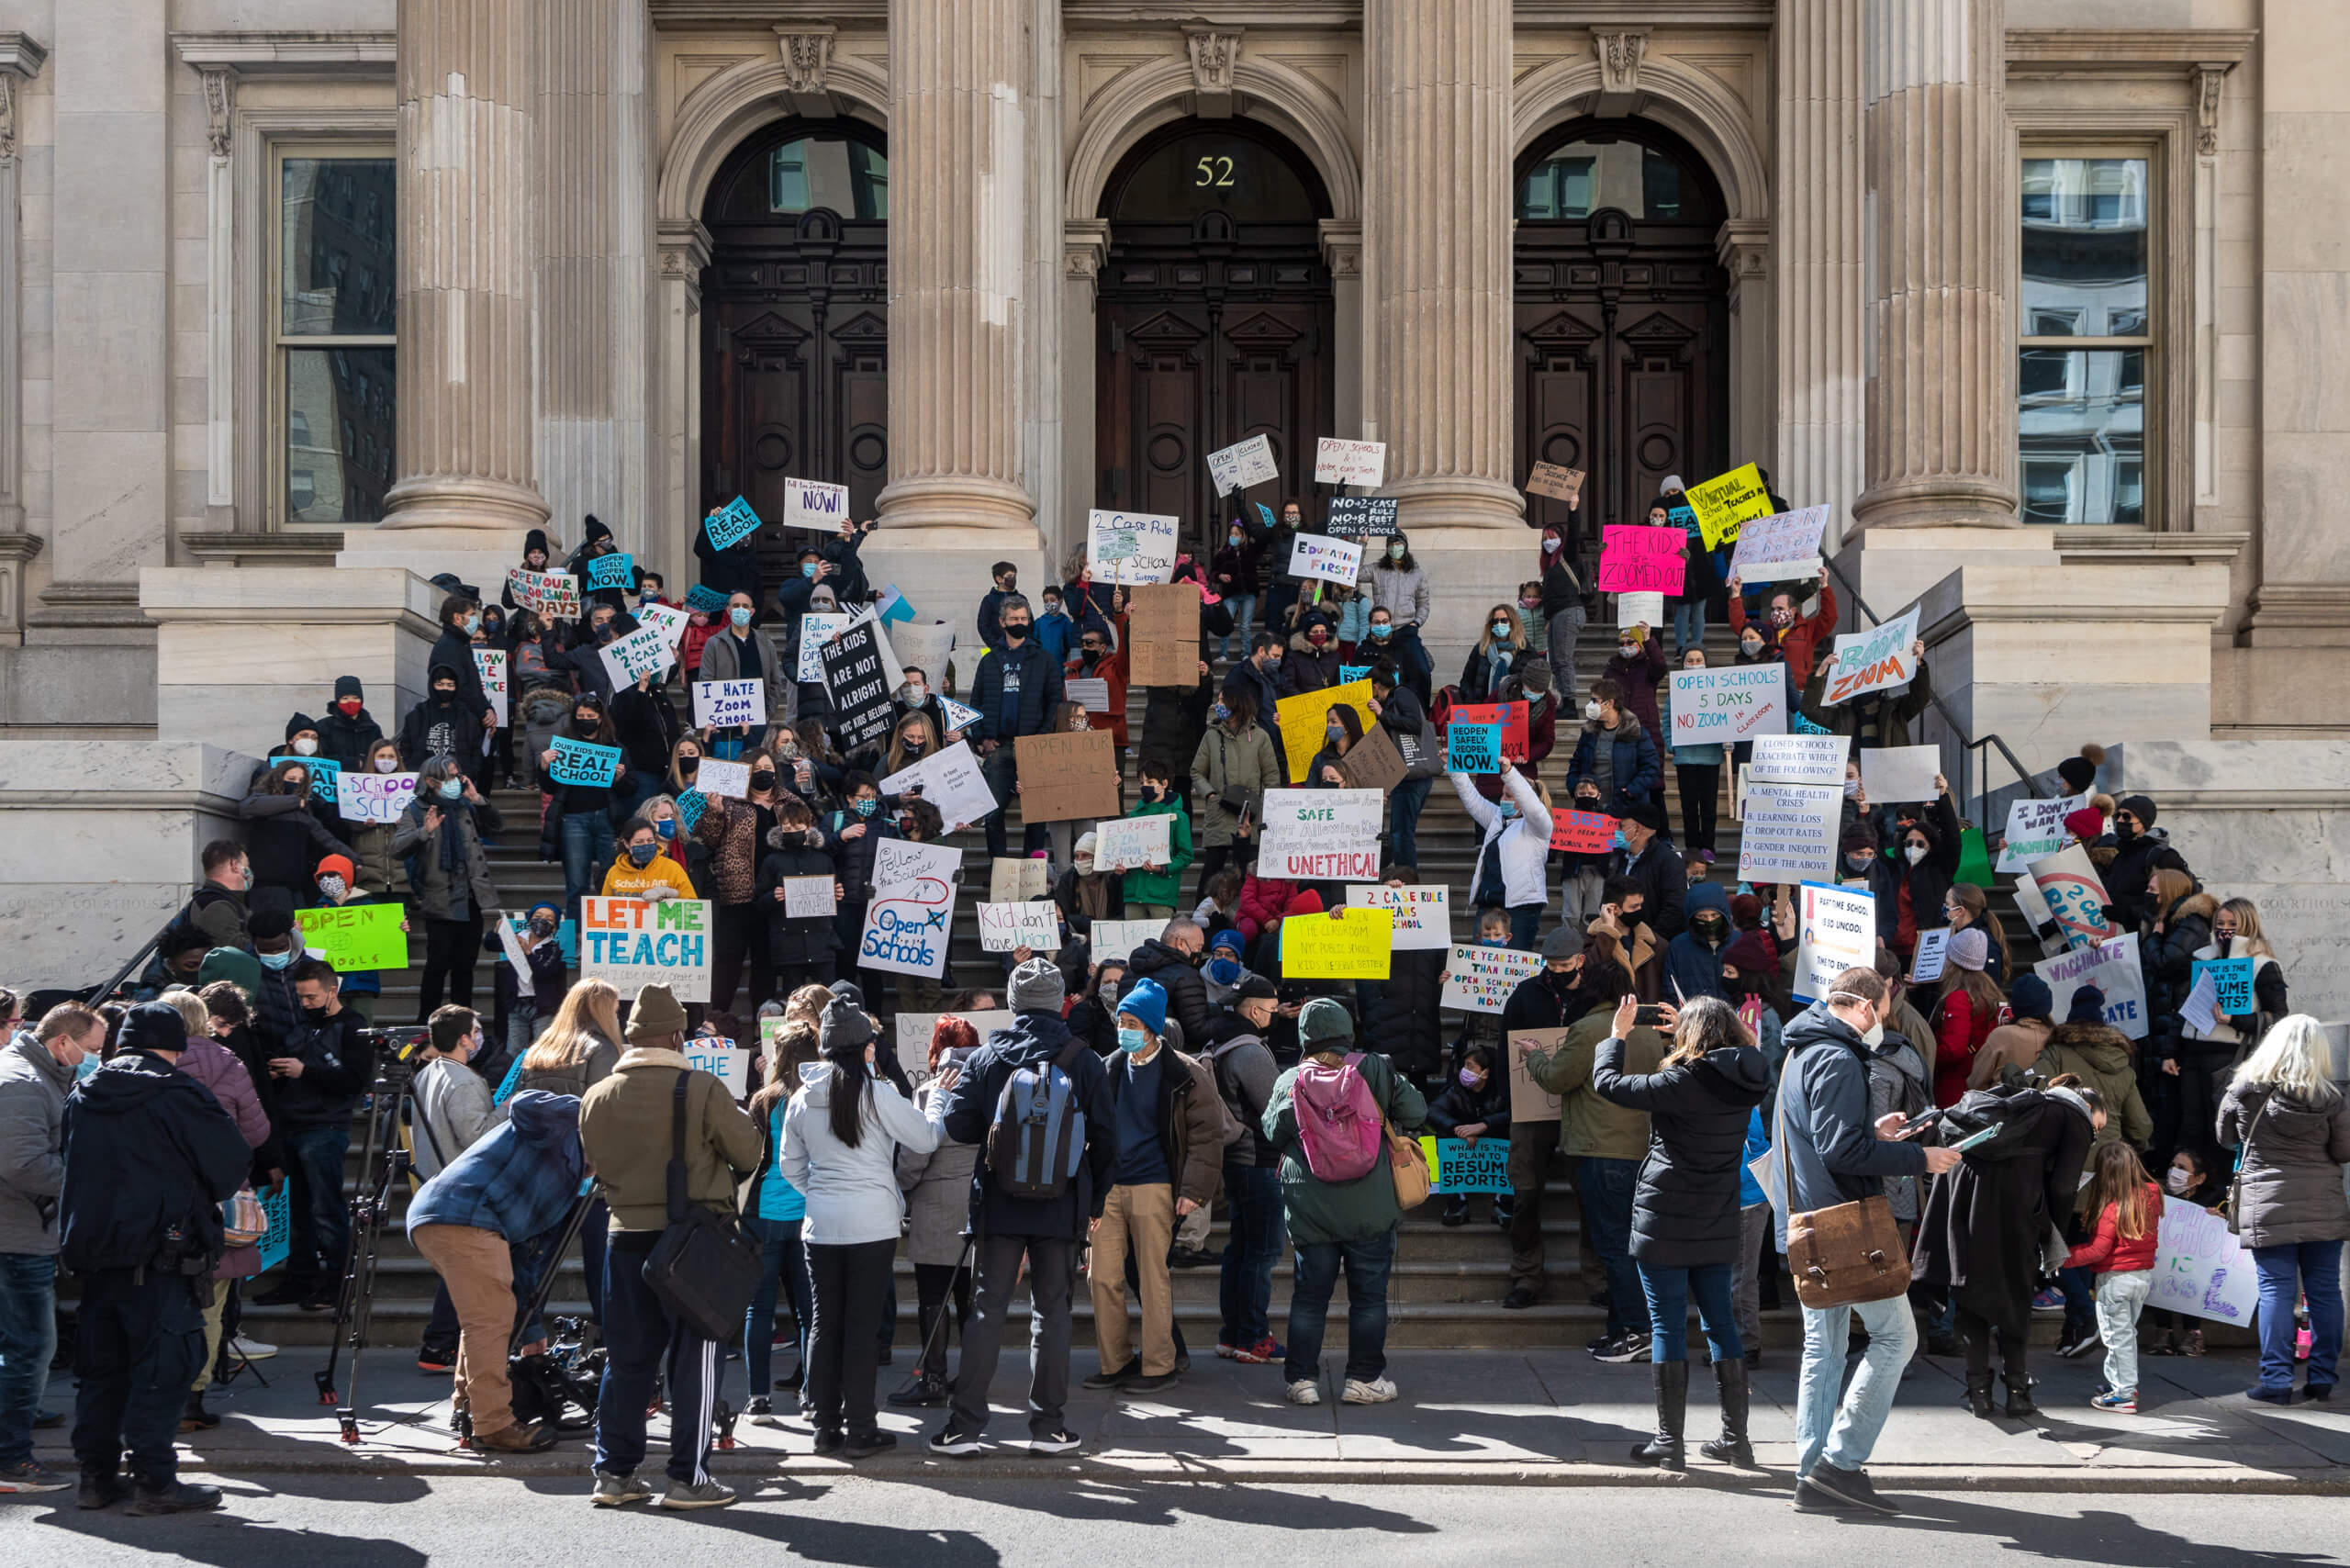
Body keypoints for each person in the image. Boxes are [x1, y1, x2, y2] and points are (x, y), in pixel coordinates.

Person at [1778, 967, 1961, 1516]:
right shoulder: (1837, 1058)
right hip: (1846, 1225)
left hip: (1814, 1221)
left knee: (1825, 1350)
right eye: (1882, 1012)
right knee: (1897, 1340)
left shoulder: (1803, 1050)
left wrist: (1876, 1134)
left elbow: (1826, 1140)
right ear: (1861, 1007)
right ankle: (1841, 1462)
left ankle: (1813, 1473)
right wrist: (1918, 1157)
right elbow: (1840, 1152)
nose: (1883, 1022)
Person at [59, 1002, 250, 1515]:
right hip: (162, 1256)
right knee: (164, 1369)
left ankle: (95, 1479)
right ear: (176, 1046)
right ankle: (154, 1481)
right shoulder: (179, 1093)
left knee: (102, 1373)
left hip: (97, 1258)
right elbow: (230, 1164)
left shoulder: (85, 1091)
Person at [579, 982, 764, 1510]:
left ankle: (614, 1474)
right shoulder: (700, 1087)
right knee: (697, 1360)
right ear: (678, 1035)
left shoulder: (596, 1095)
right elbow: (748, 1152)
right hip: (692, 1242)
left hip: (623, 1237)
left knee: (627, 1360)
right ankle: (687, 1478)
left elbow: (593, 1163)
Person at [927, 958, 1114, 1457]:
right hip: (1062, 1205)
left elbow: (958, 1127)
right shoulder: (1085, 1057)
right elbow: (1107, 1138)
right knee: (1052, 1314)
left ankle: (965, 1428)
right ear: (1059, 1003)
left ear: (1012, 1003)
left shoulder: (988, 1057)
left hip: (999, 1204)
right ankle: (1049, 1427)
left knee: (987, 1310)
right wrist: (1093, 1201)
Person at [1591, 994, 1771, 1467]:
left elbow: (1608, 1083)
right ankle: (1737, 1440)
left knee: (1668, 1325)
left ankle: (1670, 1442)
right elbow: (1714, 1064)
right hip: (1718, 1214)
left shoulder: (1678, 1081)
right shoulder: (1748, 1078)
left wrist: (1617, 1035)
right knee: (1721, 1322)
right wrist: (1688, 1031)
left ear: (1692, 1036)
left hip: (1666, 1215)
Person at [778, 995, 943, 1456]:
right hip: (872, 1223)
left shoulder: (801, 1098)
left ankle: (825, 1427)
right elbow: (926, 1137)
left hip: (821, 1225)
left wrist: (820, 1195)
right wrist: (938, 1100)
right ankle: (862, 1427)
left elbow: (790, 1167)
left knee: (824, 1324)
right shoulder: (879, 1094)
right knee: (862, 1327)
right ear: (866, 1049)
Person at [1264, 999, 1426, 1406]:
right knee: (1369, 1297)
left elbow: (1270, 1131)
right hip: (1370, 1205)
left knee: (1309, 1296)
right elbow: (1417, 1110)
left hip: (1311, 1207)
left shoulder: (1291, 1080)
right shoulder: (1374, 1067)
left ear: (1304, 1036)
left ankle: (1302, 1380)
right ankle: (1363, 1379)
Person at [1915, 1069, 2098, 1423]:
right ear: (2091, 1106)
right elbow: (2063, 1187)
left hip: (1962, 1197)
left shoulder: (2012, 1108)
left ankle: (1978, 1394)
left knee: (1970, 1293)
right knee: (2015, 1295)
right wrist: (2053, 1235)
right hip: (2017, 1204)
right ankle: (2018, 1394)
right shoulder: (2074, 1119)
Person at [405, 1089, 580, 1454]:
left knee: (484, 1316)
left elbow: (529, 1256)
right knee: (490, 1319)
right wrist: (594, 1106)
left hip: (452, 1213)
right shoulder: (565, 1124)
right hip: (461, 1213)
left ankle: (468, 1408)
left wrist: (532, 1329)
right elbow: (525, 1102)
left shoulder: (572, 1180)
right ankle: (493, 1424)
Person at [1086, 980, 1223, 1392]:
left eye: (1130, 1022)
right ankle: (1116, 1362)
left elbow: (1206, 1136)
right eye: (1119, 1021)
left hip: (1155, 1184)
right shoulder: (1109, 1067)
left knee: (1152, 1277)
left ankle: (1159, 1364)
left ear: (1150, 1028)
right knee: (1102, 1277)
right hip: (1109, 1187)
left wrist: (1192, 1191)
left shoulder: (1185, 1072)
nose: (1122, 1028)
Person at [2217, 1014, 2350, 1405]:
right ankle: (2323, 1378)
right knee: (2325, 1291)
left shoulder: (2244, 1090)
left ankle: (2275, 1382)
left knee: (2276, 1291)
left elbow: (2224, 1138)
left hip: (2267, 1202)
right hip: (2322, 1203)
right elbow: (2344, 1152)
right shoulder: (2334, 1097)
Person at [0, 1001, 106, 1493]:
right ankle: (10, 1460)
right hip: (15, 1237)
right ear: (62, 1042)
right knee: (31, 1347)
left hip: (22, 1231)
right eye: (92, 1050)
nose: (96, 1059)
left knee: (21, 1346)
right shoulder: (22, 1083)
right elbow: (22, 1164)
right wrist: (83, 1183)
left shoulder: (38, 1075)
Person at [251, 960, 371, 1312]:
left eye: (311, 997)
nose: (305, 1003)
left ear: (332, 990)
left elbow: (354, 1080)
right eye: (301, 997)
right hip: (293, 1124)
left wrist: (304, 1071)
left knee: (326, 1209)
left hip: (325, 1126)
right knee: (297, 1210)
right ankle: (300, 1279)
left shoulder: (352, 1026)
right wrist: (282, 1073)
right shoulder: (302, 1026)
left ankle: (337, 1283)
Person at [890, 1018, 981, 1408]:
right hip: (978, 1205)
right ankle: (974, 1377)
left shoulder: (929, 1092)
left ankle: (933, 1376)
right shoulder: (990, 1089)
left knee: (933, 1295)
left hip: (937, 1205)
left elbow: (915, 1154)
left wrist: (902, 1187)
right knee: (970, 1298)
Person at [740, 1013, 816, 1424]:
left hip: (764, 1213)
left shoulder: (763, 1100)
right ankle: (810, 1396)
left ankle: (758, 1399)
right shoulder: (820, 1097)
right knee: (809, 1310)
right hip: (807, 1213)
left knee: (760, 1310)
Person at [393, 758, 505, 1020]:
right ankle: (426, 1024)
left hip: (471, 896)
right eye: (450, 777)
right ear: (432, 782)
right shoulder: (416, 810)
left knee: (465, 966)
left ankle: (462, 1024)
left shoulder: (465, 805)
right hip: (440, 898)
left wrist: (478, 799)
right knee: (437, 966)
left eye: (458, 775)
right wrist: (424, 832)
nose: (456, 781)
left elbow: (498, 827)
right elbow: (397, 849)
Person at [2062, 1141, 2163, 1414]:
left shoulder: (2112, 1207)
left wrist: (2065, 1257)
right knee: (2125, 1334)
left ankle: (2124, 1394)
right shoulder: (2151, 1195)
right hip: (2141, 1277)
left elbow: (2097, 1250)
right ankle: (2118, 1384)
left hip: (2115, 1281)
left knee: (2116, 1338)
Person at [970, 593, 1066, 860]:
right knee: (992, 813)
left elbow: (1054, 702)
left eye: (1023, 618)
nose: (1019, 622)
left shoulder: (1044, 659)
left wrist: (1043, 737)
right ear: (1002, 622)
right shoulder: (989, 660)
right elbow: (976, 701)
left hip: (1033, 748)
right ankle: (999, 868)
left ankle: (1031, 871)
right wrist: (981, 738)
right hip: (998, 747)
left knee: (1036, 815)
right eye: (1014, 619)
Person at [1450, 760, 1553, 951]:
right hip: (1488, 905)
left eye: (1509, 795)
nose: (1502, 799)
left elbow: (1532, 806)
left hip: (1521, 908)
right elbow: (1473, 800)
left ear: (1523, 800)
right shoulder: (1498, 819)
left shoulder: (1539, 827)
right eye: (1503, 794)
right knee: (1481, 966)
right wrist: (1454, 767)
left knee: (1513, 971)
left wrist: (1510, 773)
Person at [1189, 685, 1279, 896]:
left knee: (1247, 874)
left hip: (1249, 817)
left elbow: (1272, 777)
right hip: (1219, 813)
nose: (1218, 705)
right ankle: (1203, 922)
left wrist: (1263, 807)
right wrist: (1210, 795)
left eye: (1222, 701)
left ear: (1236, 704)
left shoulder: (1260, 737)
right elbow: (1197, 771)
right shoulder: (1211, 736)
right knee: (1211, 873)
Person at [1425, 1042, 1511, 1226]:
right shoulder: (1456, 1089)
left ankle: (1503, 1200)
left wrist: (1485, 1125)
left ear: (1486, 1072)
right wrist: (1458, 1129)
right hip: (1465, 1142)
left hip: (1496, 1140)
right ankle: (1457, 1200)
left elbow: (1514, 1113)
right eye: (1464, 1065)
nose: (1465, 1070)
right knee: (1435, 1138)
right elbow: (1433, 1111)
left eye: (1470, 1066)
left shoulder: (1503, 1091)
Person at [1726, 567, 1838, 689]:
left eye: (1780, 609)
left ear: (1793, 610)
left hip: (1797, 689)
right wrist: (1735, 594)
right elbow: (1739, 625)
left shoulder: (1807, 629)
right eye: (1773, 609)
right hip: (1767, 691)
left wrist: (1824, 586)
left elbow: (1829, 617)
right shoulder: (1763, 631)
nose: (1775, 613)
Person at [1664, 648, 1726, 861]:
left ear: (1705, 663)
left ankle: (1708, 847)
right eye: (1690, 660)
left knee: (1709, 805)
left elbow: (1727, 716)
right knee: (1689, 806)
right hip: (1686, 757)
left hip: (1710, 756)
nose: (1694, 663)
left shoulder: (1718, 689)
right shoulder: (1676, 691)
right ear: (1683, 664)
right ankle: (1692, 848)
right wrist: (1671, 744)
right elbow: (1667, 719)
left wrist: (1728, 739)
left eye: (1699, 660)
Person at [1930, 928, 2002, 1107]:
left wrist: (1926, 1056)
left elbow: (1953, 1049)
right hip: (1978, 1081)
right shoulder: (1990, 992)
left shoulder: (1959, 997)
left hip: (1954, 1086)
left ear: (1952, 960)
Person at [1116, 760, 1192, 920]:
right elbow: (1127, 851)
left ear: (1164, 784)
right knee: (1133, 944)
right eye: (1141, 782)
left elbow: (1185, 855)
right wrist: (1123, 867)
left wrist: (1162, 868)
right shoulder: (1133, 817)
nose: (1144, 786)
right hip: (1133, 893)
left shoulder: (1179, 817)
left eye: (1150, 782)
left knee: (1161, 942)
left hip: (1161, 894)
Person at [1364, 532, 1433, 705]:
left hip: (1406, 631)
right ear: (1387, 548)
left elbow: (1424, 603)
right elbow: (1353, 573)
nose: (1395, 547)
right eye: (1391, 544)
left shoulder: (1417, 573)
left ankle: (1421, 714)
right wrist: (1362, 544)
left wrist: (1416, 622)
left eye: (1399, 543)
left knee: (1421, 672)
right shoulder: (1376, 569)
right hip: (1381, 632)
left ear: (1405, 546)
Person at [1613, 801, 1686, 944]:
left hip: (1653, 945)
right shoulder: (1621, 858)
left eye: (1622, 826)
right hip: (1622, 941)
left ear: (1637, 829)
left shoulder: (1668, 861)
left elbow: (1674, 908)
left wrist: (1650, 941)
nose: (1617, 830)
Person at [1662, 881, 1735, 1005]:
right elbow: (1671, 991)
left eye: (1715, 915)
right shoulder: (1678, 947)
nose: (1709, 920)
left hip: (1734, 1021)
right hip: (1693, 1021)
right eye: (1702, 916)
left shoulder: (1740, 943)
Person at [1210, 517, 1259, 659]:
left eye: (1237, 534)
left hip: (1248, 593)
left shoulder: (1250, 551)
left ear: (1243, 535)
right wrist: (1220, 576)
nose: (1234, 537)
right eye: (1232, 534)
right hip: (1230, 594)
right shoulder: (1223, 553)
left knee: (1245, 626)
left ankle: (1246, 654)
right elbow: (1212, 573)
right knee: (1226, 624)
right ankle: (1223, 653)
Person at [1458, 605, 1529, 703]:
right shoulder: (1481, 648)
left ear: (1513, 623)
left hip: (1513, 712)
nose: (1499, 624)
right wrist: (1472, 700)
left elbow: (1532, 683)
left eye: (1504, 620)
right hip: (1482, 710)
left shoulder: (1524, 649)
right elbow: (1466, 682)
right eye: (1495, 621)